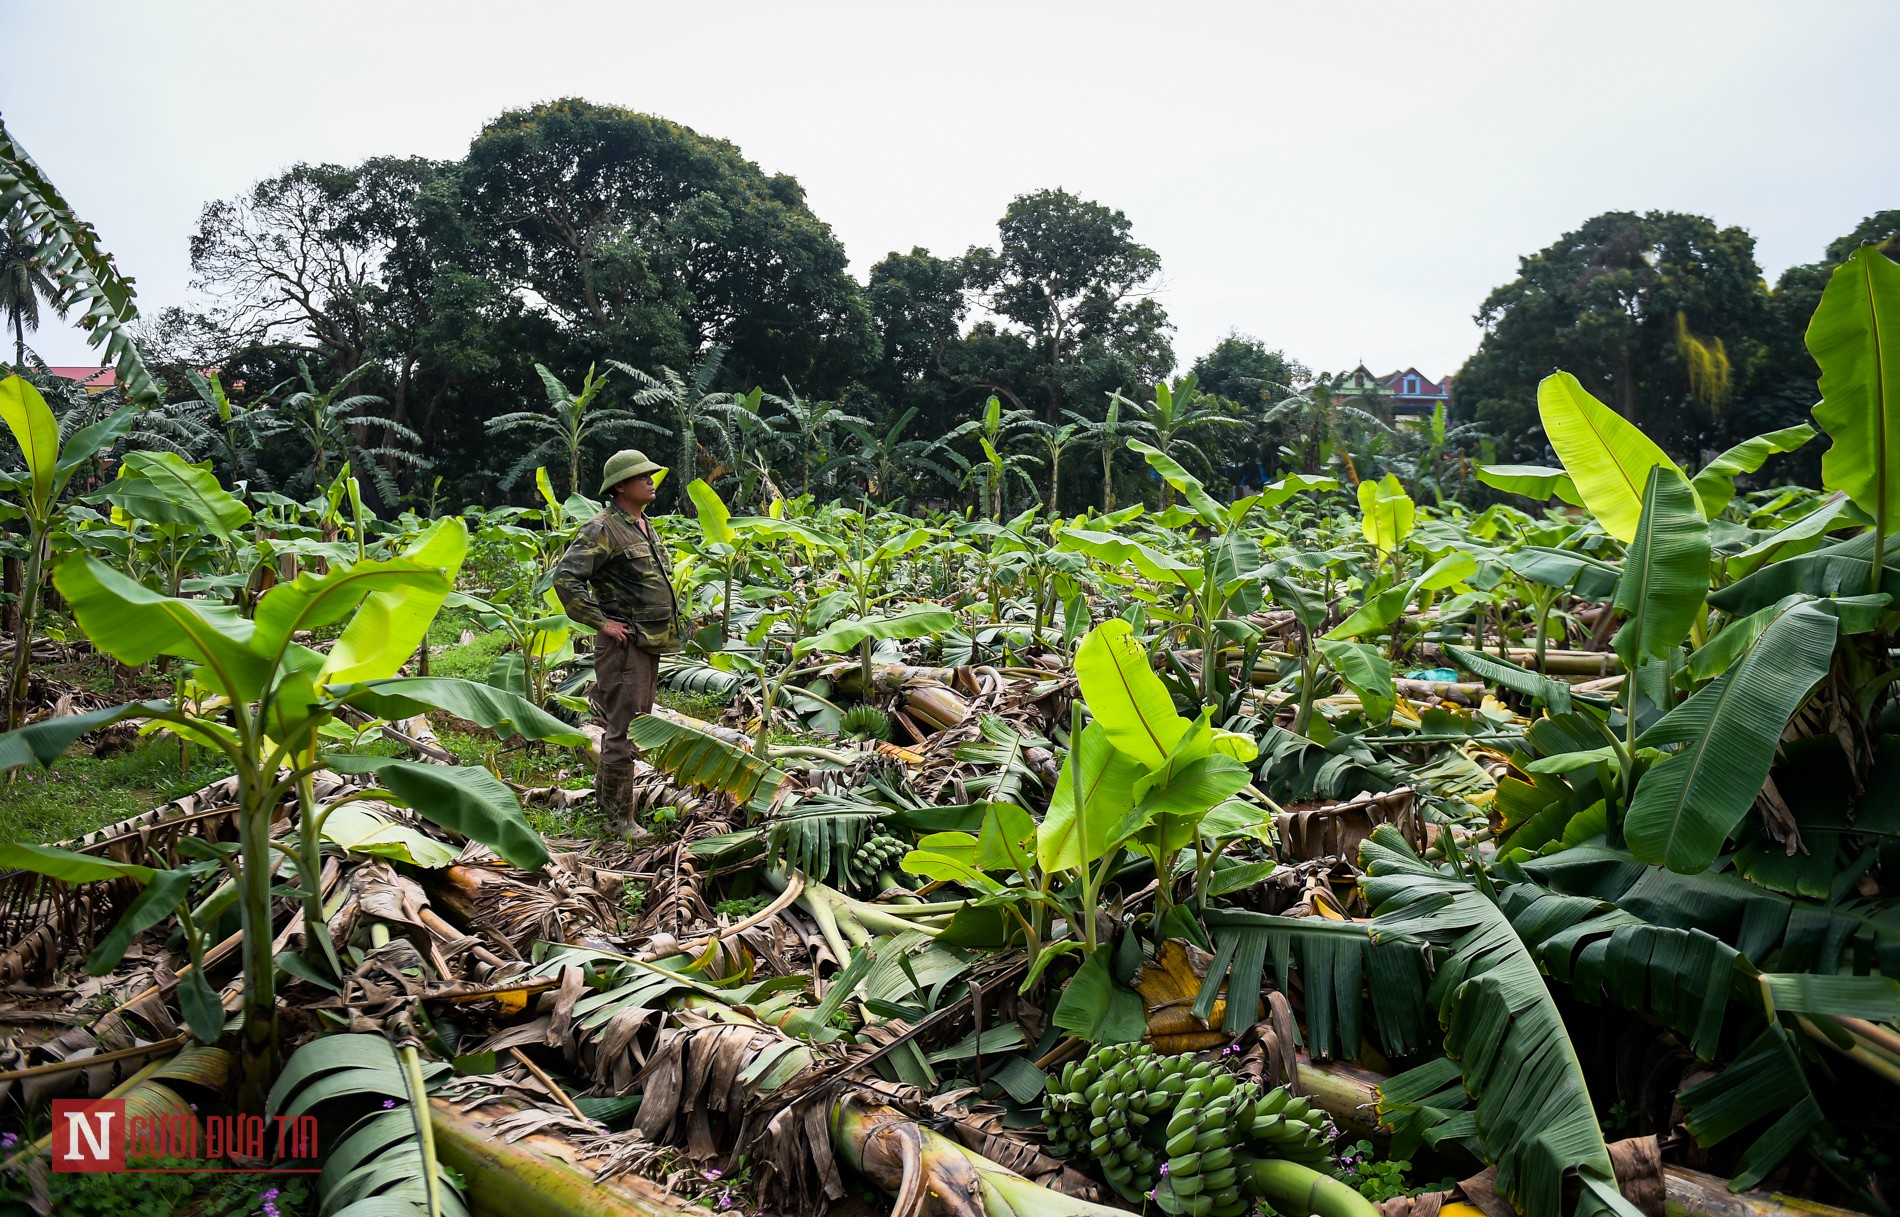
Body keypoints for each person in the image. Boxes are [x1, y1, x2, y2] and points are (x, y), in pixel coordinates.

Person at [552, 449, 681, 823]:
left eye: (650, 474)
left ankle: (608, 808)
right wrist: (601, 622)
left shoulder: (642, 524)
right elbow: (566, 578)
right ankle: (617, 819)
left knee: (633, 726)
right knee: (623, 732)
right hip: (625, 644)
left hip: (647, 641)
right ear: (620, 486)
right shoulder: (602, 527)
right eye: (642, 476)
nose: (650, 480)